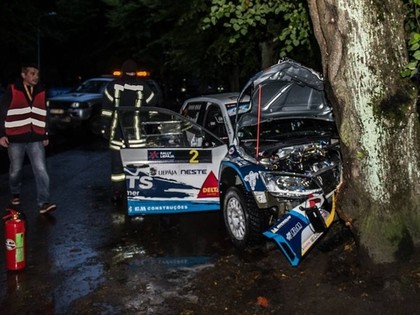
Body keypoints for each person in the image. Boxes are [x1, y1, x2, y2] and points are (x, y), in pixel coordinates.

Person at [0, 63, 56, 214]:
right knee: (15, 171)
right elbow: (3, 112)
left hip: (35, 137)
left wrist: (45, 133)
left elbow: (45, 112)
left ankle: (43, 202)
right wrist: (2, 134)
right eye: (32, 73)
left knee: (41, 169)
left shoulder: (42, 90)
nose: (35, 77)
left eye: (37, 74)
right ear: (24, 75)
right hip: (15, 137)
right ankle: (15, 192)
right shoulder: (12, 89)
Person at [101, 59, 158, 201]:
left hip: (117, 134)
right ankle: (139, 192)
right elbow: (154, 106)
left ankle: (118, 193)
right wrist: (150, 123)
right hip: (137, 135)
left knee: (117, 168)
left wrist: (105, 127)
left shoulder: (112, 86)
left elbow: (106, 109)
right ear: (135, 72)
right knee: (138, 165)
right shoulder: (143, 87)